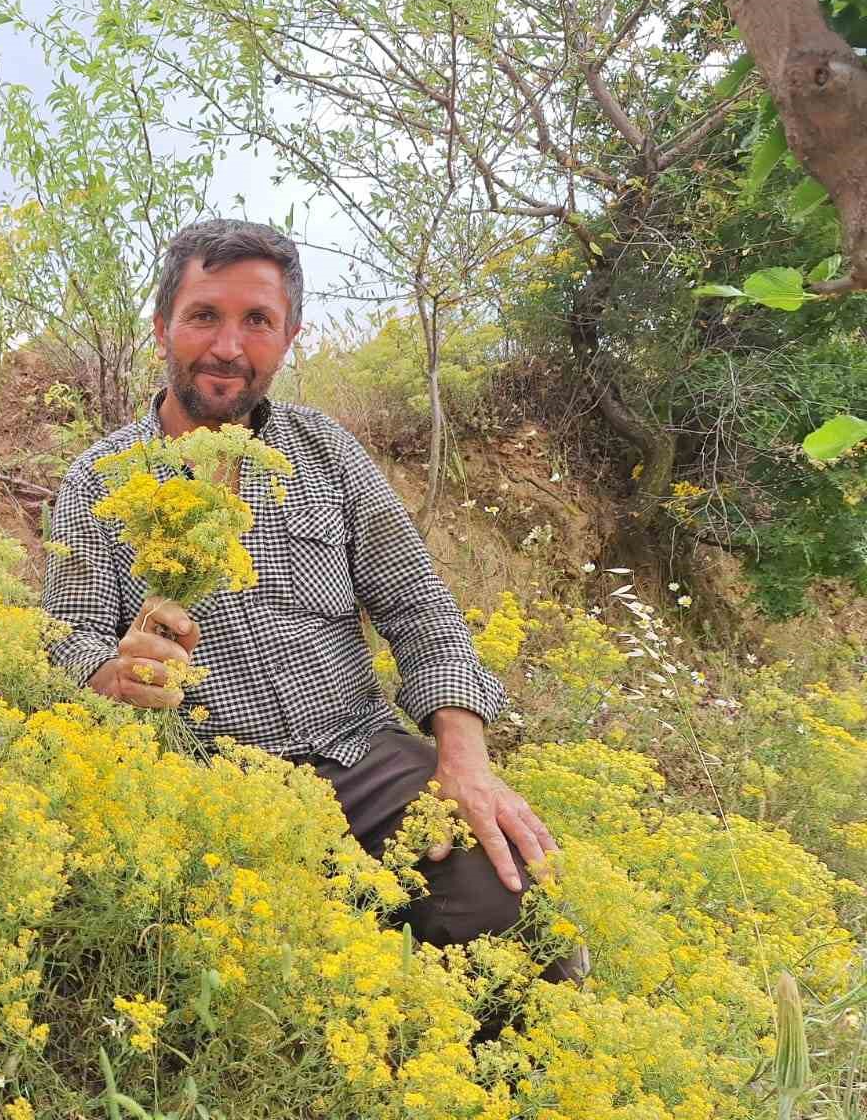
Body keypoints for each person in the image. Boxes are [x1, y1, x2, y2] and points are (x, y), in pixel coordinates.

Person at [43, 218, 582, 981]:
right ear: (163, 326)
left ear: (289, 336)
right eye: (205, 316)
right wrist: (116, 673)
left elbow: (420, 607)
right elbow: (69, 638)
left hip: (363, 761)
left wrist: (464, 761)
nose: (228, 347)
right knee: (251, 971)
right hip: (208, 783)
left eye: (257, 321)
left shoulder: (326, 452)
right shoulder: (101, 477)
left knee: (511, 907)